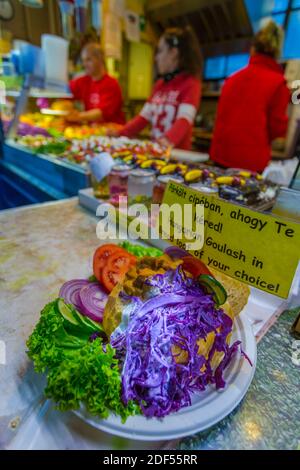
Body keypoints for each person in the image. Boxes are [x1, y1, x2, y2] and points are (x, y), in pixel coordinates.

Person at [210, 21, 290, 173]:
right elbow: (277, 129)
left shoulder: (232, 79)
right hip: (250, 165)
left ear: (253, 49)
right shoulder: (278, 83)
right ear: (277, 51)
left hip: (219, 157)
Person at [114, 27, 203, 150]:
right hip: (157, 152)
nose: (156, 58)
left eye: (160, 51)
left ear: (173, 52)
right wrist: (118, 133)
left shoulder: (191, 83)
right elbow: (143, 118)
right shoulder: (159, 85)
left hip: (176, 156)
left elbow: (185, 119)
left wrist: (166, 141)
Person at [67, 43, 125, 124]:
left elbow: (101, 113)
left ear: (100, 59)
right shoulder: (83, 81)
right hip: (92, 132)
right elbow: (65, 92)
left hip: (113, 133)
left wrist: (78, 116)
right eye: (83, 61)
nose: (84, 65)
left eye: (88, 60)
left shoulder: (111, 84)